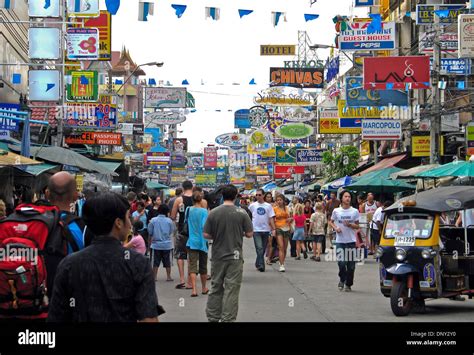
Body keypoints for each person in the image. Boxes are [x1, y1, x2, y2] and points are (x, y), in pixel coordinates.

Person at [48, 192, 163, 322]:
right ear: (118, 223)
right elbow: (149, 319)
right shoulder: (138, 263)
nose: (130, 224)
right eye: (128, 217)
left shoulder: (68, 264)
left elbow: (56, 316)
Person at [203, 185, 253, 322]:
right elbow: (249, 234)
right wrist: (239, 232)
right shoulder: (242, 212)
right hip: (235, 257)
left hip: (218, 255)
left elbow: (206, 234)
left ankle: (213, 317)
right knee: (232, 289)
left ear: (222, 196)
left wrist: (218, 234)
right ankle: (228, 319)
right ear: (236, 196)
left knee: (216, 286)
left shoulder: (213, 213)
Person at [329, 190, 360, 292]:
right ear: (341, 198)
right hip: (340, 241)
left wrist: (350, 225)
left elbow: (357, 225)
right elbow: (331, 221)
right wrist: (335, 228)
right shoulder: (336, 211)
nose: (348, 198)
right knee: (342, 263)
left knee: (351, 266)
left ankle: (348, 284)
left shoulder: (354, 211)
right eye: (346, 196)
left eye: (349, 197)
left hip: (351, 241)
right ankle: (342, 279)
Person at [171, 180, 194, 289]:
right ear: (192, 187)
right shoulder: (198, 200)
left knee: (180, 254)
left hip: (182, 230)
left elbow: (173, 215)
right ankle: (190, 282)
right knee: (191, 255)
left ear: (183, 188)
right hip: (194, 231)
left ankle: (182, 280)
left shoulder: (179, 200)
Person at [186, 191, 209, 297]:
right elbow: (204, 226)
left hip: (191, 241)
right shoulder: (204, 211)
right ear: (201, 200)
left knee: (192, 266)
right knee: (203, 266)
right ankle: (204, 288)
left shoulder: (188, 210)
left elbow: (186, 222)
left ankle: (194, 289)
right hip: (202, 241)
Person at [248, 188, 276, 272]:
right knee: (259, 248)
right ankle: (261, 265)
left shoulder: (268, 206)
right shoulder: (252, 205)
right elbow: (248, 217)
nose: (258, 196)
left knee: (263, 249)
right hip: (256, 230)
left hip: (266, 230)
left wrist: (273, 229)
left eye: (259, 195)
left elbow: (271, 218)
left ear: (263, 195)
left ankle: (257, 262)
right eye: (256, 195)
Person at [148, 204, 175, 282]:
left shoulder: (153, 220)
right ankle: (168, 276)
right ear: (167, 212)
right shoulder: (169, 221)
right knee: (168, 262)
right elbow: (171, 231)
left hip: (156, 244)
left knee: (155, 262)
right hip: (167, 245)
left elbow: (150, 231)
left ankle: (154, 277)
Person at [273, 194, 292, 272]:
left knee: (285, 248)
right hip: (278, 228)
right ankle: (281, 265)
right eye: (277, 200)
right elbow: (272, 219)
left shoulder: (288, 209)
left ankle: (282, 261)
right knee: (280, 246)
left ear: (283, 201)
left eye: (280, 200)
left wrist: (290, 219)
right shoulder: (274, 209)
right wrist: (273, 229)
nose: (279, 201)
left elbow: (292, 217)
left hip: (286, 228)